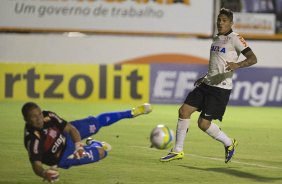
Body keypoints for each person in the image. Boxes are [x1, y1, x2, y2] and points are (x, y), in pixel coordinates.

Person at [160, 8, 257, 163]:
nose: (220, 23)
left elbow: (253, 59)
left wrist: (237, 65)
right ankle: (178, 150)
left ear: (231, 23)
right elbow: (217, 63)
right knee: (184, 111)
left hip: (220, 89)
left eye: (224, 20)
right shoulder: (216, 38)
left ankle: (229, 143)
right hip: (206, 84)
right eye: (219, 19)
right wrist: (205, 77)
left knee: (203, 124)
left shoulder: (235, 38)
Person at [22, 102, 152, 182]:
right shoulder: (33, 139)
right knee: (103, 152)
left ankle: (131, 112)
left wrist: (79, 146)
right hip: (64, 156)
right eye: (34, 117)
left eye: (39, 114)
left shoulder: (48, 116)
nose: (39, 118)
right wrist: (44, 173)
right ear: (26, 119)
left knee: (97, 122)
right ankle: (95, 144)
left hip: (67, 135)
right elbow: (36, 165)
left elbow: (71, 129)